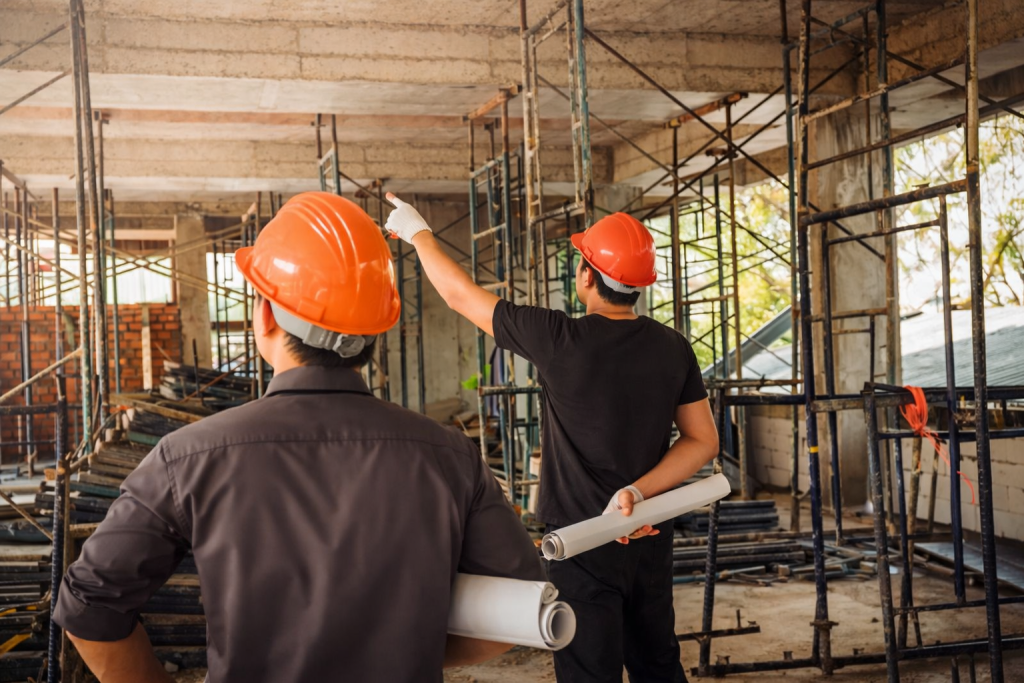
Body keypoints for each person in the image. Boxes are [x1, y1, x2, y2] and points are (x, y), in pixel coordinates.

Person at [53, 192, 544, 683]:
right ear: (373, 331)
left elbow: (88, 606)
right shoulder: (449, 455)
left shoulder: (187, 458)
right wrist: (401, 652)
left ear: (266, 316)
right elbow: (522, 607)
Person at [386, 195, 720, 683]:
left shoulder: (560, 338)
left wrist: (418, 231)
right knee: (658, 665)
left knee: (589, 671)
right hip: (648, 530)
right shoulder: (673, 347)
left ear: (587, 275)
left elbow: (458, 295)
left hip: (580, 541)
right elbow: (701, 441)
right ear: (640, 286)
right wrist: (637, 494)